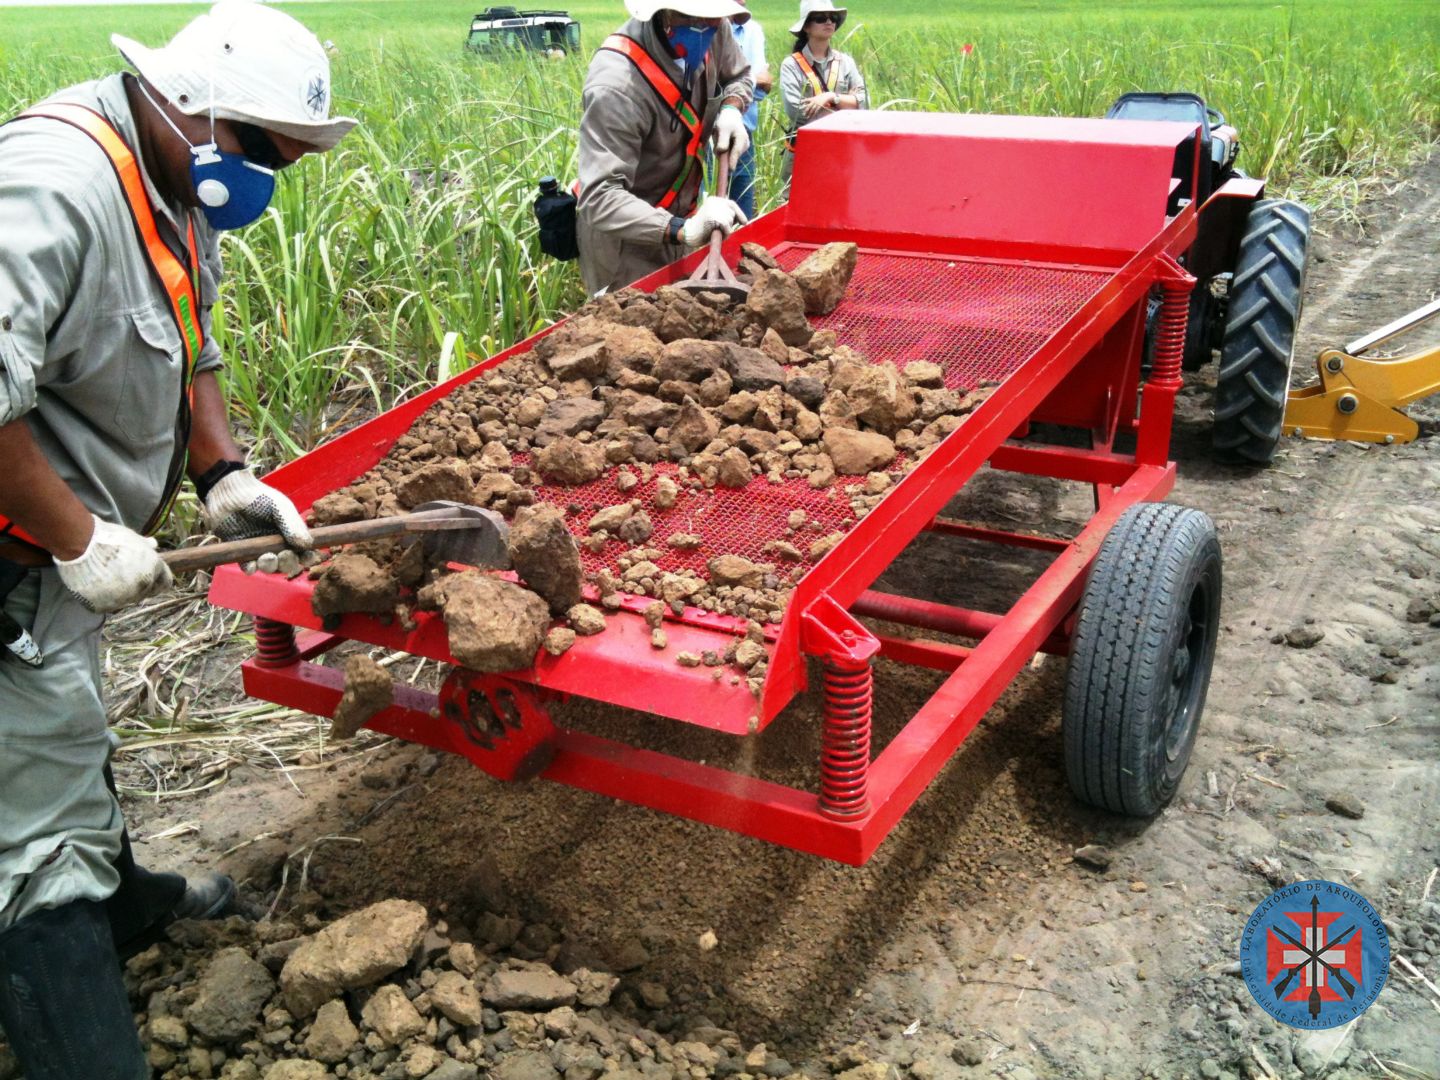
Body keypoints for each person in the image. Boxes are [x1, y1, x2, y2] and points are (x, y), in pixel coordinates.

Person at [0, 3, 356, 1077]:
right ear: (193, 109)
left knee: (67, 720)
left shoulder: (175, 183)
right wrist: (76, 539)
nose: (268, 179)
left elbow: (189, 338)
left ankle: (122, 902)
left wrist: (223, 472)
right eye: (263, 151)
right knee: (35, 834)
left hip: (55, 567)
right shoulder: (55, 187)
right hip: (15, 559)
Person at [577, 0, 755, 296]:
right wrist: (683, 230)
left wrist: (732, 108)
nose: (704, 24)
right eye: (689, 16)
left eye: (710, 16)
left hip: (683, 218)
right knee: (635, 333)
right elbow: (599, 196)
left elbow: (739, 75)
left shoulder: (714, 28)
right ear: (661, 13)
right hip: (628, 240)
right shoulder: (616, 86)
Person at [779, 0, 867, 196]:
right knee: (796, 206)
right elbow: (797, 112)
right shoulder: (791, 65)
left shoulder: (846, 62)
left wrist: (831, 97)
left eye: (832, 18)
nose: (828, 22)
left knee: (840, 203)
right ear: (807, 27)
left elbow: (864, 102)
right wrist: (846, 104)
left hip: (842, 151)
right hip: (804, 150)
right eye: (820, 18)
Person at [726, 0, 771, 218]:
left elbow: (763, 89)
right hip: (705, 134)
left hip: (744, 133)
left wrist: (741, 82)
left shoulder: (752, 30)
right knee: (704, 204)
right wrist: (753, 79)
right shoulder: (703, 26)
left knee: (742, 211)